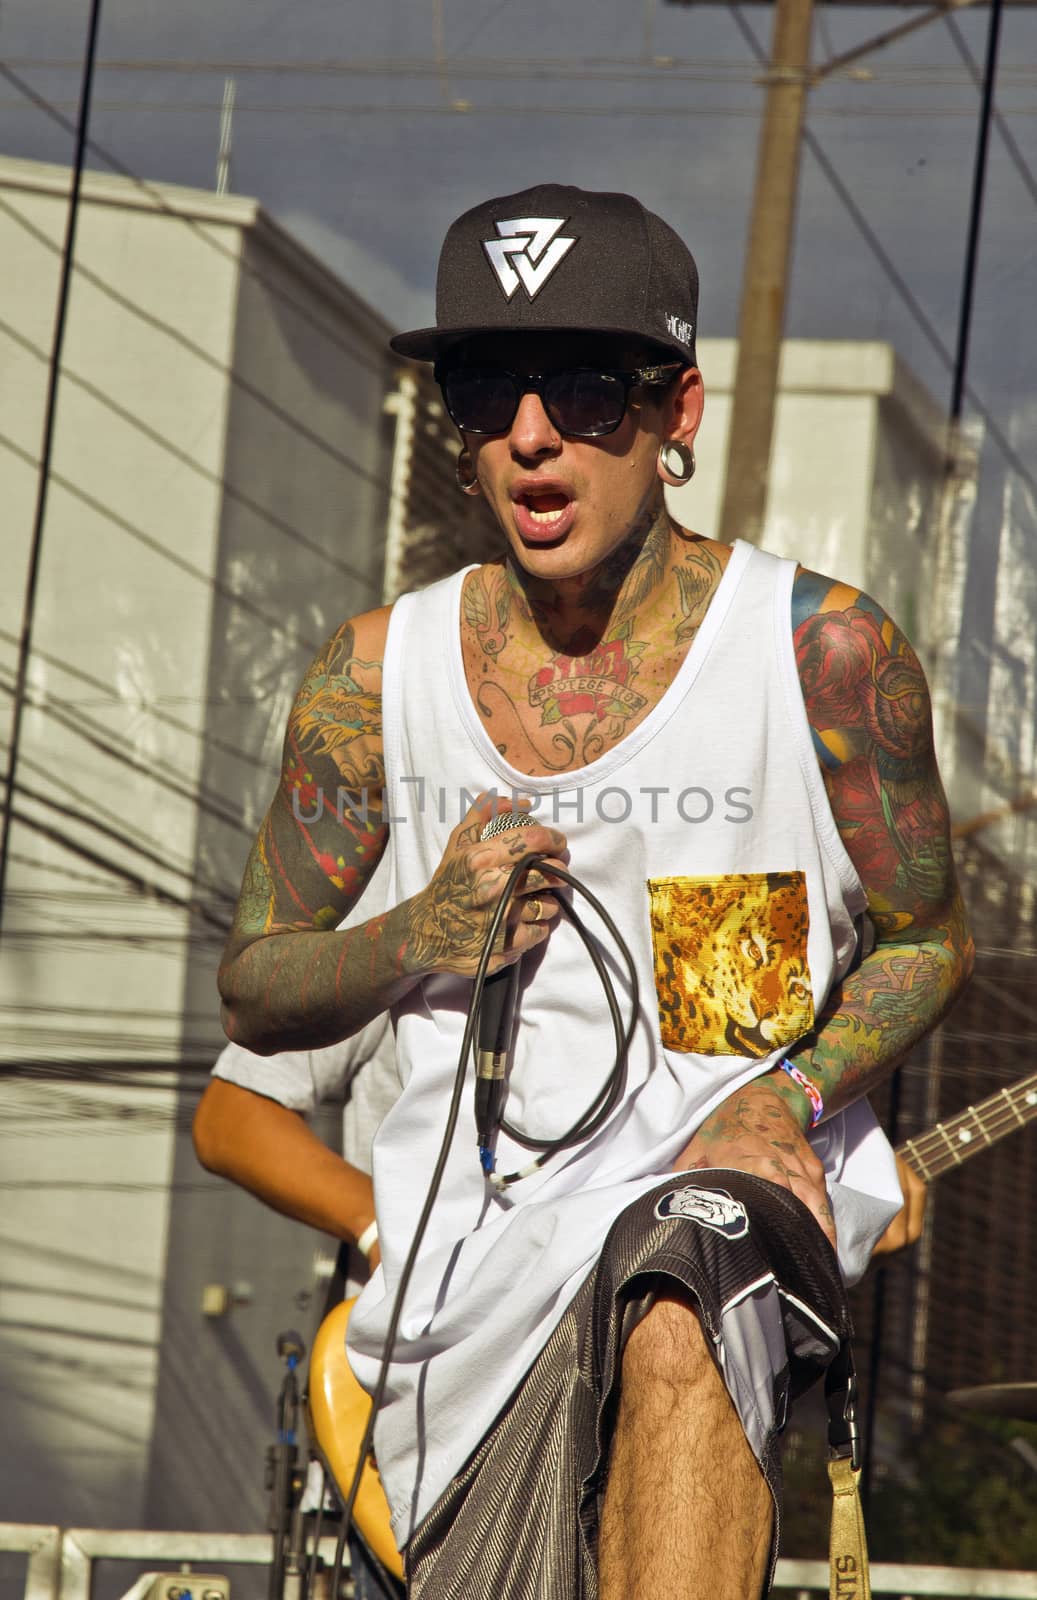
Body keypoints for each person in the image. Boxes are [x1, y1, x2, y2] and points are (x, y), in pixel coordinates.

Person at [210, 185, 973, 1599]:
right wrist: (413, 935)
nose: (531, 434)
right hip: (459, 1306)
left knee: (683, 1285)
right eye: (487, 388)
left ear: (679, 411)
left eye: (584, 391)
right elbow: (254, 985)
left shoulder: (822, 656)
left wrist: (783, 1093)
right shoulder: (373, 675)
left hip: (716, 1208)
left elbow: (929, 941)